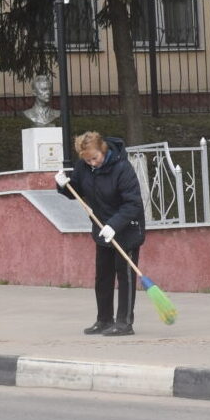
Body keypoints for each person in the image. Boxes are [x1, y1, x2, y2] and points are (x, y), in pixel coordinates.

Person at [55, 131, 146, 336]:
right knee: (103, 276)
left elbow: (133, 204)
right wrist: (63, 185)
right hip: (102, 228)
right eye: (88, 160)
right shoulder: (84, 167)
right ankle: (104, 320)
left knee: (125, 276)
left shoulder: (122, 168)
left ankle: (124, 323)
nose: (92, 163)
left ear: (103, 149)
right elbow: (76, 190)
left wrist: (114, 225)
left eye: (95, 158)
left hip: (127, 228)